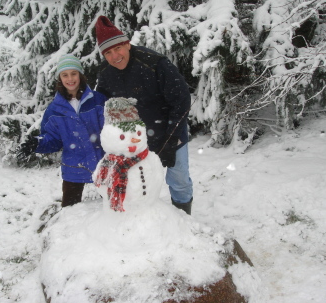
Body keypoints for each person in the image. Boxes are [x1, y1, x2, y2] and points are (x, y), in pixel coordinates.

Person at [94, 16, 194, 215]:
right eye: (108, 53)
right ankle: (141, 221)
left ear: (127, 44)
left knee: (179, 179)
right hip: (134, 142)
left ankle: (184, 221)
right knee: (138, 183)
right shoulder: (105, 75)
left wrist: (170, 141)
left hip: (170, 132)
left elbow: (181, 100)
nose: (115, 57)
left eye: (118, 49)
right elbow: (103, 108)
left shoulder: (155, 64)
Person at [16, 54, 106, 207]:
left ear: (80, 75)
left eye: (73, 73)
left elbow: (110, 130)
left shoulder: (98, 100)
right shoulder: (54, 109)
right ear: (60, 78)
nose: (70, 79)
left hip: (102, 163)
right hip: (73, 168)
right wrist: (36, 144)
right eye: (65, 75)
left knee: (112, 206)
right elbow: (53, 139)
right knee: (69, 211)